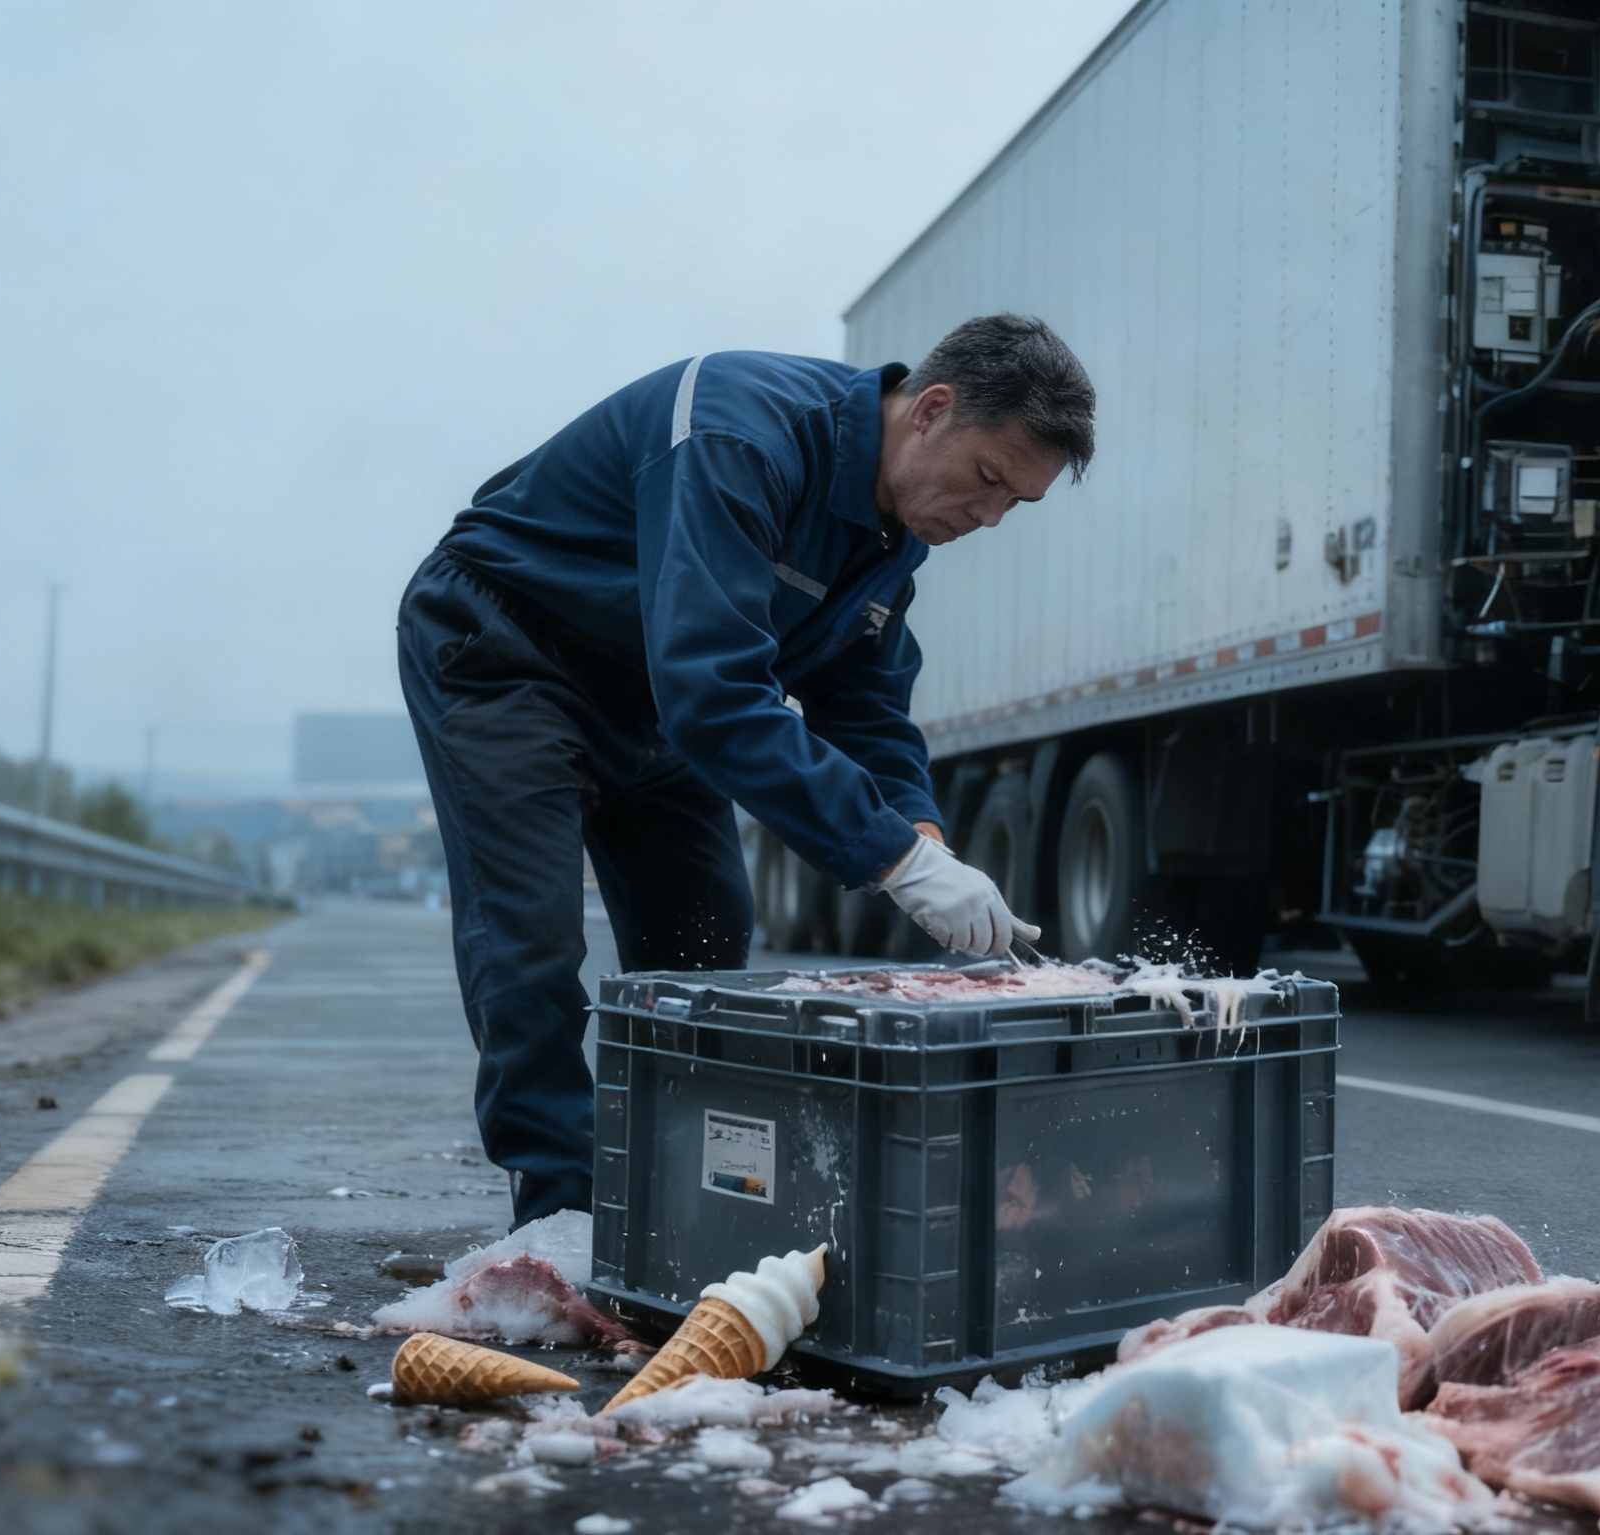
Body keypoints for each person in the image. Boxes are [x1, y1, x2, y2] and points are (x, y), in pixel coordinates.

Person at [399, 315, 1096, 1226]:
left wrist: (923, 838)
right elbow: (713, 691)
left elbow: (867, 708)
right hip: (511, 649)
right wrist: (894, 860)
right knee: (530, 941)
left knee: (702, 939)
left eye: (1016, 504)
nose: (989, 516)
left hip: (652, 698)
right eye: (989, 478)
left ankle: (675, 1205)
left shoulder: (891, 541)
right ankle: (560, 1221)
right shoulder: (742, 434)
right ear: (931, 409)